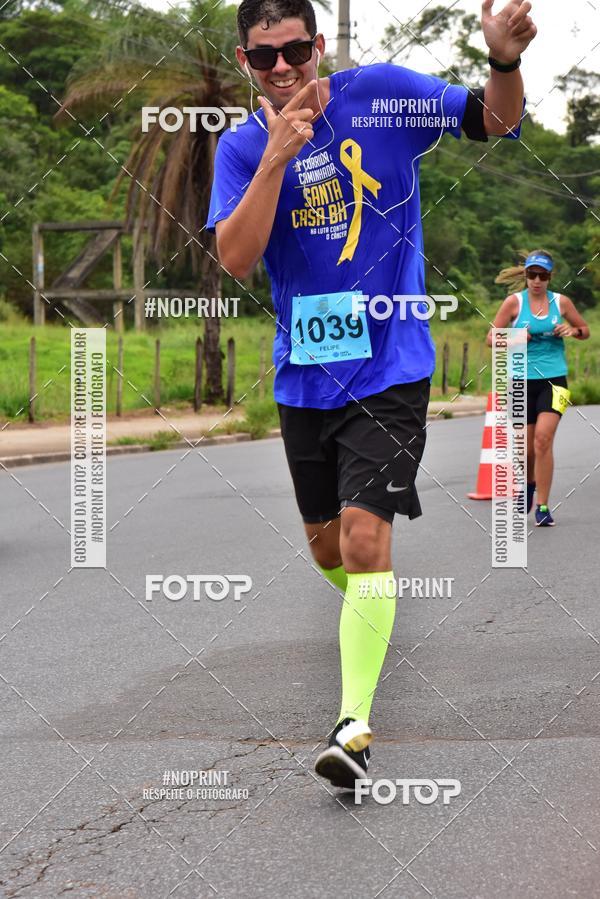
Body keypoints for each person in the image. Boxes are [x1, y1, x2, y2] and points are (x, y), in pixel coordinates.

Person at [207, 0, 536, 789]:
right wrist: (276, 159)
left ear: (319, 45)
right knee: (332, 550)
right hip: (305, 375)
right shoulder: (242, 146)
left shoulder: (383, 94)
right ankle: (374, 601)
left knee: (362, 539)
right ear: (245, 61)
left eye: (294, 50)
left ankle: (351, 726)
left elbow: (495, 120)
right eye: (264, 57)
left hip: (392, 364)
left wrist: (502, 60)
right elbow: (236, 259)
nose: (282, 68)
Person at [487, 251, 590, 526]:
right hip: (520, 381)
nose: (536, 280)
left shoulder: (561, 302)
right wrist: (515, 337)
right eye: (532, 274)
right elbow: (491, 338)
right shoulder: (514, 303)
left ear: (549, 277)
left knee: (543, 440)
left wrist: (571, 330)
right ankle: (529, 483)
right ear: (526, 276)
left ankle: (543, 506)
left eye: (542, 276)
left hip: (555, 381)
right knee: (525, 448)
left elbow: (584, 330)